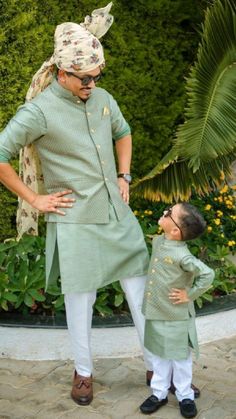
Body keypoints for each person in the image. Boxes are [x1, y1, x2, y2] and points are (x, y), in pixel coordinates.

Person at [0, 2, 154, 406]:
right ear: (60, 72)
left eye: (96, 76)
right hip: (74, 219)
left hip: (118, 213)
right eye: (84, 78)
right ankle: (84, 373)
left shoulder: (103, 97)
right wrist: (34, 198)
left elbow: (123, 132)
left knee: (141, 291)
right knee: (80, 300)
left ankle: (160, 367)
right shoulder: (38, 111)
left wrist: (124, 176)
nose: (92, 83)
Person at [139, 203, 214, 418]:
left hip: (176, 315)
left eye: (169, 213)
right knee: (158, 353)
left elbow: (207, 274)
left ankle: (185, 395)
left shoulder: (183, 256)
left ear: (175, 231)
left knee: (180, 357)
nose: (164, 212)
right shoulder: (158, 241)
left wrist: (189, 295)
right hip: (156, 311)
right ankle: (159, 392)